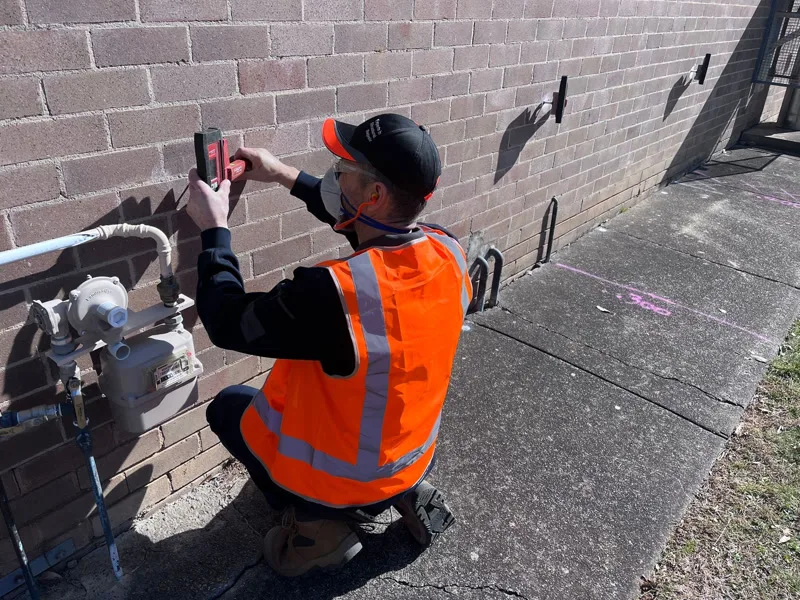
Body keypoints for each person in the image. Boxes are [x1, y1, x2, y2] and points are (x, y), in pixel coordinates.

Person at [185, 113, 472, 577]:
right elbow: (363, 220)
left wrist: (214, 229)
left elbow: (227, 322)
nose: (334, 175)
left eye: (345, 170)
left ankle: (319, 528)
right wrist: (281, 174)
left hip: (347, 477)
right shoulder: (448, 251)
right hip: (413, 453)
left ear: (374, 195)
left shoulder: (334, 295)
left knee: (227, 408)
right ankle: (403, 493)